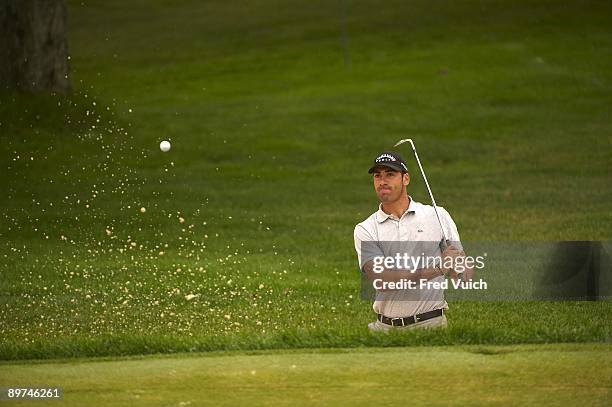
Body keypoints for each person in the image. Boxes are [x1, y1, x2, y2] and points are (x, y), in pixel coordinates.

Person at [353, 151, 473, 332]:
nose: (382, 181)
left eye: (390, 174)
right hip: (385, 329)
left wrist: (460, 267)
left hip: (432, 325)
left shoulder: (437, 215)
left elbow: (463, 276)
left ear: (406, 179)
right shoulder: (366, 229)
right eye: (378, 176)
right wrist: (439, 268)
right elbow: (383, 280)